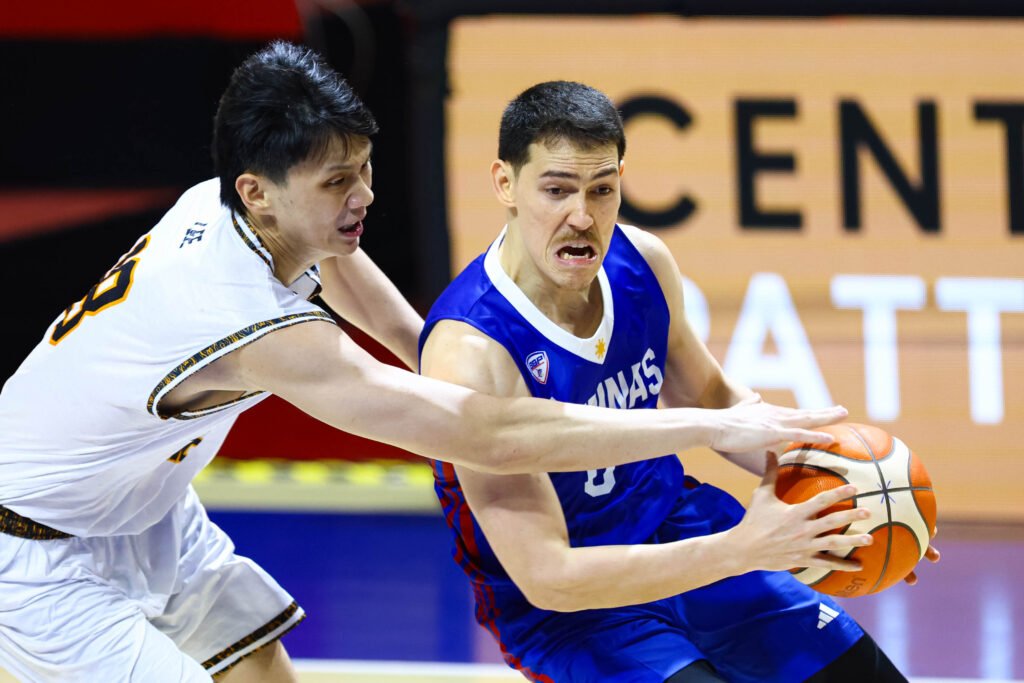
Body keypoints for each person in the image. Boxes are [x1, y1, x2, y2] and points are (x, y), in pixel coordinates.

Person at [0, 45, 848, 683]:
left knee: (260, 666)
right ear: (259, 189)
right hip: (36, 550)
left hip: (145, 509)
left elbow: (366, 294)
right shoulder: (247, 318)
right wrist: (716, 424)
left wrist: (445, 350)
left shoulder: (234, 205)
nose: (362, 197)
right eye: (338, 182)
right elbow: (482, 430)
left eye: (365, 171)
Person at [420, 80, 937, 682]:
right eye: (556, 191)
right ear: (505, 183)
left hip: (682, 528)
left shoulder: (641, 261)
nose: (582, 217)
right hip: (576, 608)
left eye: (602, 190)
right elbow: (549, 576)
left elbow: (712, 401)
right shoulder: (469, 352)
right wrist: (748, 547)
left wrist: (859, 495)